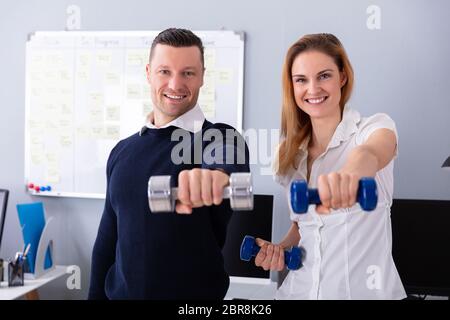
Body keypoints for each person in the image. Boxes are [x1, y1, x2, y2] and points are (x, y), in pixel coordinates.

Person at [88, 28, 249, 299]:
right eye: (165, 71)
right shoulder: (121, 151)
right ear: (148, 72)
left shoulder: (218, 137)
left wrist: (217, 177)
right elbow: (106, 244)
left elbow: (226, 163)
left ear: (201, 78)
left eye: (188, 73)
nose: (175, 84)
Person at [253, 33, 406, 299]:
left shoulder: (374, 129)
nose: (313, 89)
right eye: (301, 80)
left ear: (342, 77)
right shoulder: (286, 156)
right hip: (296, 293)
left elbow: (369, 155)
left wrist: (348, 177)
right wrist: (278, 249)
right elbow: (303, 226)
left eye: (324, 76)